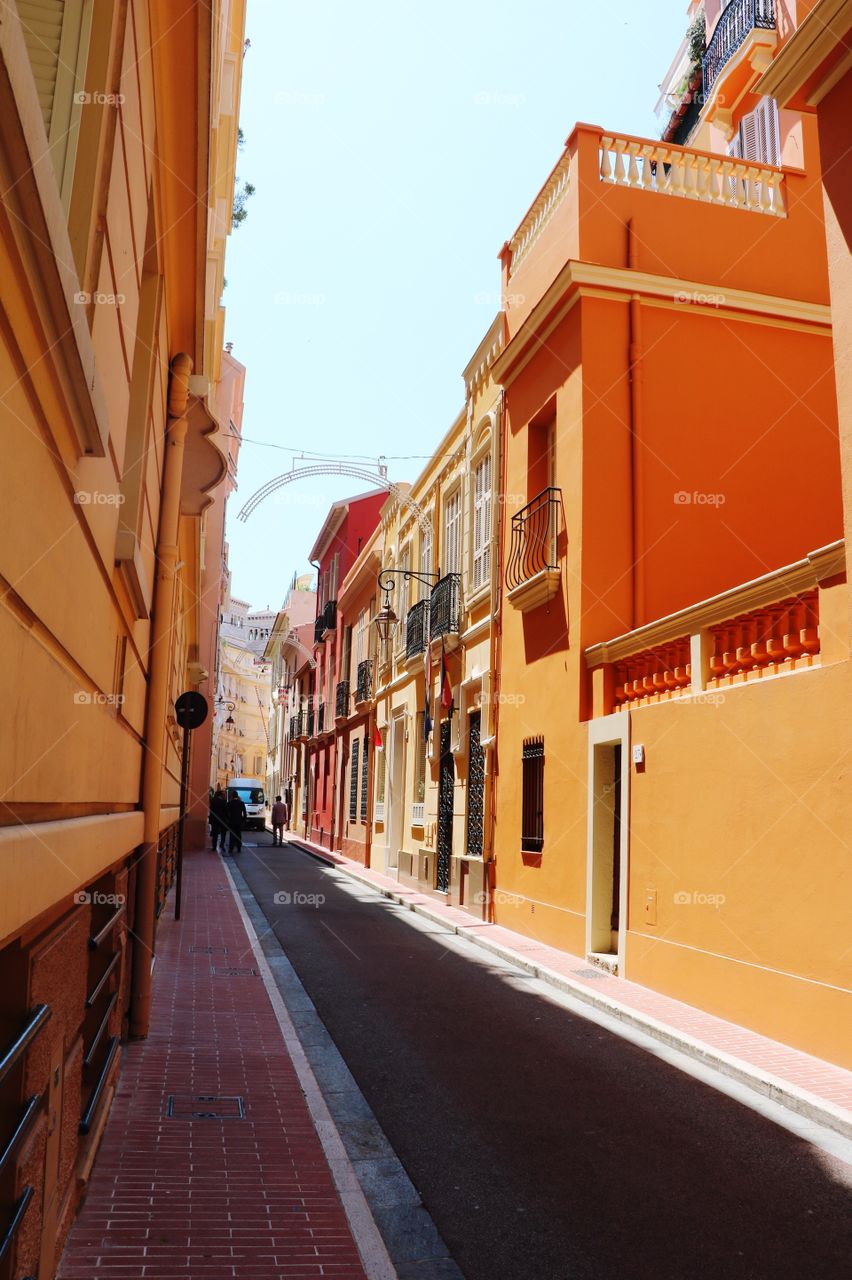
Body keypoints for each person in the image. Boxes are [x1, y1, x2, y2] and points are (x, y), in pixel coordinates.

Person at [224, 788, 247, 855]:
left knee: (232, 835)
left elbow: (226, 812)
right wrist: (243, 820)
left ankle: (231, 848)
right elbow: (245, 813)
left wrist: (228, 819)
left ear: (232, 796)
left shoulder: (229, 803)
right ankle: (239, 848)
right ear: (237, 796)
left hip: (232, 822)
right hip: (239, 822)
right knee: (239, 835)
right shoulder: (241, 803)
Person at [209, 786, 227, 853]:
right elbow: (225, 811)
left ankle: (214, 846)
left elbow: (211, 810)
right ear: (221, 795)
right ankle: (222, 844)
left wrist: (211, 819)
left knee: (215, 833)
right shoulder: (224, 802)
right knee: (223, 833)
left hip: (215, 819)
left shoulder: (213, 801)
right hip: (222, 819)